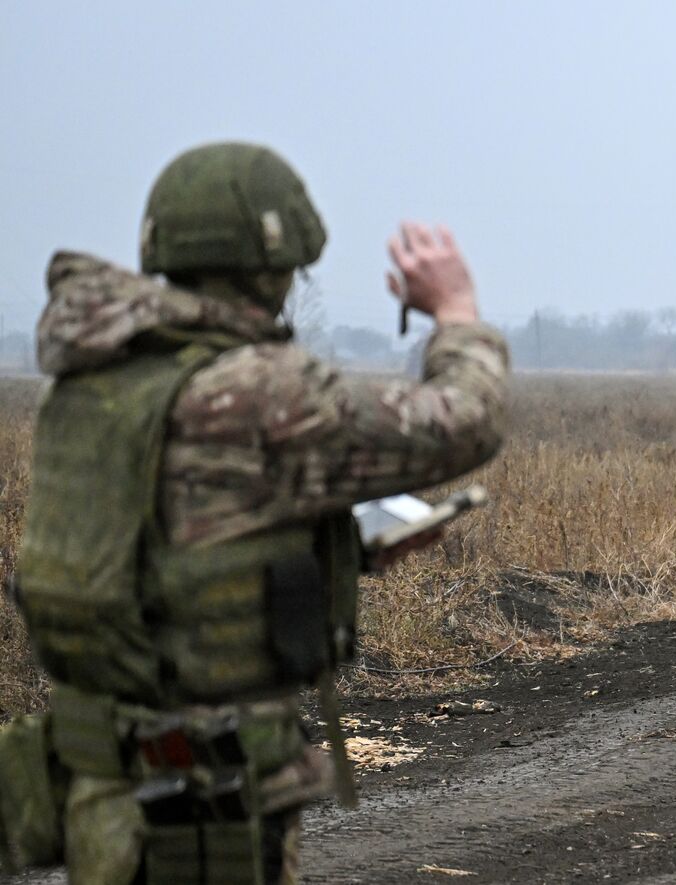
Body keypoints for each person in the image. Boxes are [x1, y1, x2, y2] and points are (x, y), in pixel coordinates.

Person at [9, 142, 509, 883]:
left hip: (96, 777)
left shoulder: (91, 385)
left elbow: (169, 553)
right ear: (274, 267)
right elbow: (467, 418)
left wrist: (342, 549)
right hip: (202, 800)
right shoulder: (256, 389)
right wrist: (456, 311)